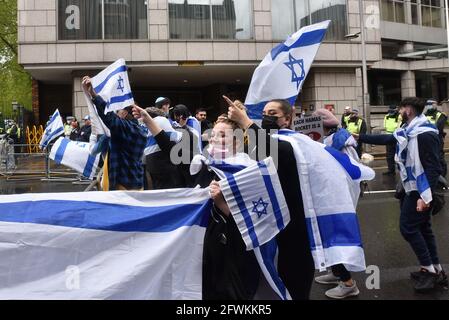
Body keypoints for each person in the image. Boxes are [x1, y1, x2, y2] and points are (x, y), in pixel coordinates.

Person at [134, 106, 261, 299]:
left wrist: (222, 204)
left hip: (235, 257)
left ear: (237, 143)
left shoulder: (248, 172)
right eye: (214, 135)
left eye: (223, 136)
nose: (215, 139)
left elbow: (256, 222)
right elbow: (171, 149)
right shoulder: (203, 164)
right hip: (205, 248)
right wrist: (149, 120)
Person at [226, 96, 315, 300]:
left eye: (273, 114)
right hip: (273, 222)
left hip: (295, 226)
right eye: (264, 114)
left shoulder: (293, 142)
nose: (266, 117)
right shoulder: (266, 141)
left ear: (287, 119)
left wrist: (245, 121)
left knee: (295, 281)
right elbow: (249, 156)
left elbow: (274, 150)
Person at [354, 97, 447, 292]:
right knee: (424, 230)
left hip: (420, 189)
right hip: (411, 186)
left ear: (409, 110)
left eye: (402, 108)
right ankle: (435, 268)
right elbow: (387, 138)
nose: (399, 111)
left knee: (408, 228)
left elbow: (433, 167)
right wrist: (359, 137)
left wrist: (424, 196)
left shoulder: (424, 133)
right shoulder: (409, 131)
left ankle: (430, 271)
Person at [311, 108, 361, 299]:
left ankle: (348, 283)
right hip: (327, 195)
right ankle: (336, 272)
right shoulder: (327, 140)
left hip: (337, 198)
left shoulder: (341, 141)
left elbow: (352, 170)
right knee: (327, 237)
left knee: (334, 236)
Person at [82, 76, 147, 191]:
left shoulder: (126, 128)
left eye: (118, 110)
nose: (116, 113)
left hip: (123, 186)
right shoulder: (140, 129)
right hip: (137, 182)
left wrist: (94, 94)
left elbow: (108, 117)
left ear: (125, 113)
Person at [425, 99, 447, 176]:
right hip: (427, 139)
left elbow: (439, 127)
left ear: (435, 105)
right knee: (429, 158)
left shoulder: (440, 115)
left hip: (437, 139)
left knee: (439, 157)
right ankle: (433, 175)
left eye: (431, 104)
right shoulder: (424, 115)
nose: (429, 106)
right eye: (428, 104)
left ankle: (442, 176)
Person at [383, 105, 402, 176]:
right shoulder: (386, 116)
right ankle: (391, 170)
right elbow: (385, 126)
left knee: (399, 155)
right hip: (388, 136)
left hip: (397, 137)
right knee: (389, 155)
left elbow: (399, 127)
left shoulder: (399, 117)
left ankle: (401, 170)